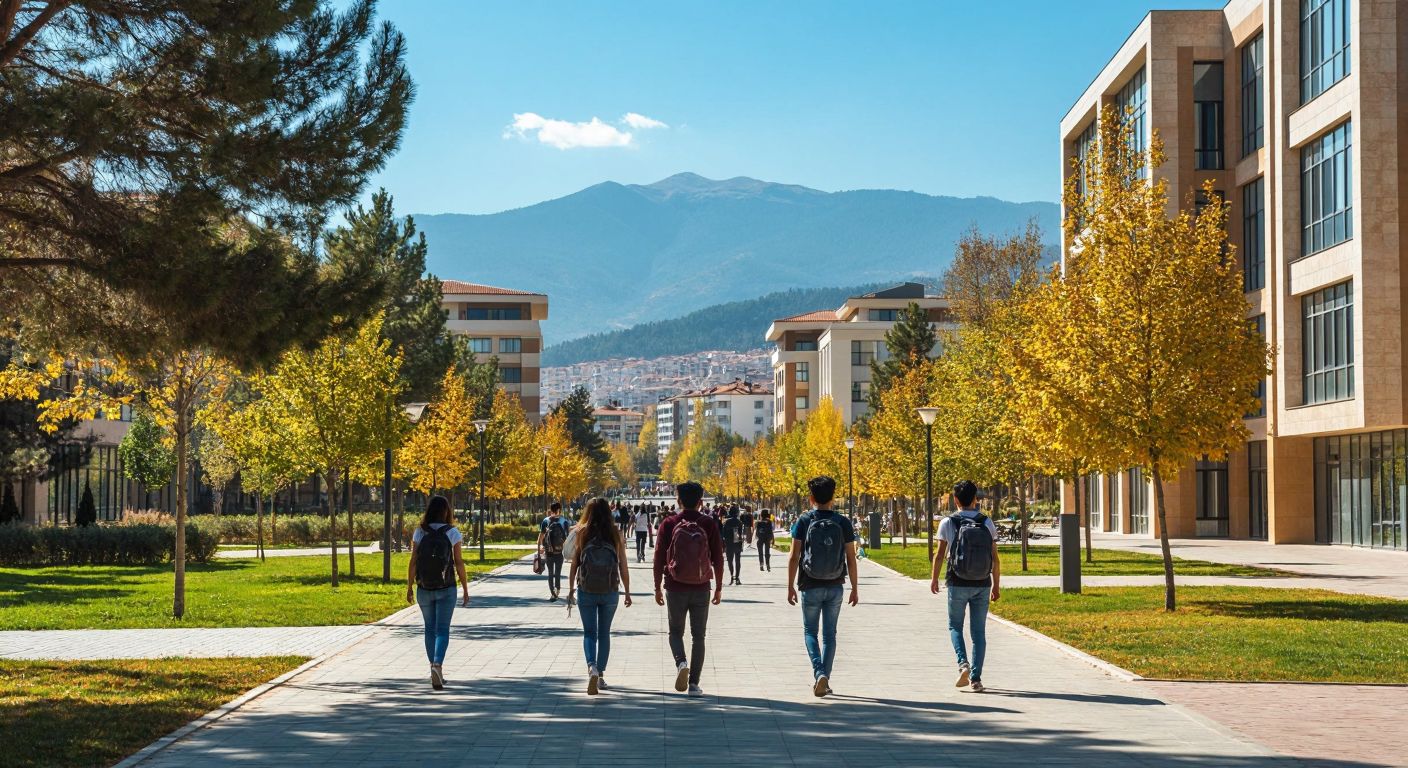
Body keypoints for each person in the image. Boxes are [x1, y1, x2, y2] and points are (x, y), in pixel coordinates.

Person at [787, 476, 859, 698]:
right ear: (833, 497)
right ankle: (824, 677)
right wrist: (855, 587)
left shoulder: (804, 521)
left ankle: (819, 674)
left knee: (810, 631)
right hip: (836, 584)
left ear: (811, 498)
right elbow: (851, 557)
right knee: (830, 635)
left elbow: (793, 555)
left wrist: (789, 585)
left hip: (809, 583)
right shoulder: (842, 522)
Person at [653, 481, 724, 696]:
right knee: (699, 636)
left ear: (678, 500)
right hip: (702, 586)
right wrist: (719, 587)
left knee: (675, 632)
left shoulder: (669, 523)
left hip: (675, 586)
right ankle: (694, 684)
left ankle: (681, 663)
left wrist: (657, 587)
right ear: (701, 501)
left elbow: (658, 558)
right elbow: (718, 558)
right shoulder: (709, 523)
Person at [930, 480, 1001, 693]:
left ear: (956, 499)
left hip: (957, 581)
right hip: (982, 582)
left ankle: (963, 664)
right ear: (976, 499)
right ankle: (976, 678)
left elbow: (940, 555)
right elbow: (995, 558)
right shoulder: (986, 522)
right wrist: (996, 585)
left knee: (955, 626)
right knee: (979, 632)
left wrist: (934, 578)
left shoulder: (948, 522)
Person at [567, 497, 633, 695]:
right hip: (610, 590)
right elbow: (622, 564)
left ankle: (591, 667)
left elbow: (574, 563)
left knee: (589, 632)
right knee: (604, 633)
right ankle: (601, 675)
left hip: (586, 589)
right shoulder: (615, 533)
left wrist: (570, 588)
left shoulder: (582, 532)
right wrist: (627, 591)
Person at [405, 495, 471, 690]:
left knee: (429, 629)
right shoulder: (452, 532)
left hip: (424, 587)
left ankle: (433, 668)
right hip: (446, 587)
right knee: (442, 629)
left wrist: (409, 586)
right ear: (446, 511)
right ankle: (437, 665)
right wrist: (465, 588)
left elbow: (413, 561)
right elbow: (458, 562)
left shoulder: (419, 532)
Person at [537, 502, 572, 601]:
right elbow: (567, 539)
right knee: (557, 573)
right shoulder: (564, 521)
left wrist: (538, 547)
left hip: (548, 552)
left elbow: (541, 535)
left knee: (550, 573)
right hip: (559, 552)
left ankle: (552, 593)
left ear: (551, 510)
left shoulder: (545, 521)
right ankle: (557, 590)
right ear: (559, 510)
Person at [721, 506, 745, 585]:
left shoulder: (727, 522)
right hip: (737, 542)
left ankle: (732, 576)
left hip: (729, 543)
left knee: (730, 561)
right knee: (738, 560)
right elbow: (741, 533)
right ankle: (737, 577)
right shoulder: (739, 522)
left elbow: (723, 534)